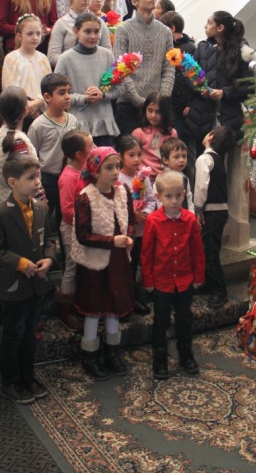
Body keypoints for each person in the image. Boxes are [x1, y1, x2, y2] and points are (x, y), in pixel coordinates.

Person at [0, 155, 56, 404]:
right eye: (31, 178)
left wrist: (49, 258)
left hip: (37, 284)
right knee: (13, 334)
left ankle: (28, 376)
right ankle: (10, 381)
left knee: (30, 333)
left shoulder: (41, 208)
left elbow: (49, 239)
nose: (37, 182)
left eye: (38, 176)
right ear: (12, 182)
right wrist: (20, 263)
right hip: (15, 287)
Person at [71, 147, 135, 380]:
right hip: (94, 263)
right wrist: (111, 241)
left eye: (117, 166)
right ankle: (90, 354)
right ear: (95, 171)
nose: (116, 172)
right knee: (95, 307)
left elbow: (128, 219)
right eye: (109, 168)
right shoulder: (85, 198)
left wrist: (127, 236)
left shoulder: (123, 192)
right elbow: (83, 235)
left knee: (114, 306)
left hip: (117, 259)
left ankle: (112, 351)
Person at [141, 169, 205, 380]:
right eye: (169, 196)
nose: (174, 201)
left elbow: (197, 250)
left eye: (178, 195)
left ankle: (186, 355)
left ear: (184, 194)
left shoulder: (190, 220)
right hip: (162, 282)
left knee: (184, 319)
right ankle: (159, 359)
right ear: (158, 197)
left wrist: (198, 276)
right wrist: (148, 279)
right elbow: (147, 253)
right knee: (161, 321)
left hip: (184, 281)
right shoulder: (153, 221)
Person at [184, 10, 251, 158]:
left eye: (209, 23)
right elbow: (189, 75)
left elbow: (248, 87)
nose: (205, 26)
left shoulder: (241, 51)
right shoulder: (202, 47)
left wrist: (224, 93)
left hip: (228, 118)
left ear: (220, 28)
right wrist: (200, 89)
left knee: (226, 164)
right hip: (202, 117)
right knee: (203, 161)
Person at [113, 0, 175, 134]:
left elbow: (169, 68)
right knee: (131, 149)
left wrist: (161, 100)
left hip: (157, 109)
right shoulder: (123, 29)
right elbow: (120, 70)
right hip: (128, 105)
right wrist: (139, 101)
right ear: (134, 2)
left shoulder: (165, 31)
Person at [55, 12, 120, 146]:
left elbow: (119, 88)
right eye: (87, 31)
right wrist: (83, 98)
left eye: (96, 31)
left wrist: (103, 94)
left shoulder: (107, 55)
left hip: (104, 124)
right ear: (76, 31)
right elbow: (58, 94)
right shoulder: (65, 59)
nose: (93, 36)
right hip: (78, 125)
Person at [27, 73, 78, 235]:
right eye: (62, 93)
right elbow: (31, 155)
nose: (68, 96)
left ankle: (65, 249)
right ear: (47, 97)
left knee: (67, 220)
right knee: (45, 218)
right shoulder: (38, 125)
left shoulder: (73, 120)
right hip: (48, 179)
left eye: (69, 91)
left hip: (69, 177)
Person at [193, 126, 235, 309]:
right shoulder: (217, 159)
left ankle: (220, 289)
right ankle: (209, 283)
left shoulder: (204, 159)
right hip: (221, 210)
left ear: (210, 137)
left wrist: (198, 210)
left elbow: (201, 187)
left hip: (211, 211)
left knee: (209, 252)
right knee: (209, 249)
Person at [57, 129, 94, 329]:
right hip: (72, 228)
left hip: (85, 226)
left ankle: (81, 303)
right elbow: (67, 211)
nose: (94, 148)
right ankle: (65, 309)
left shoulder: (84, 169)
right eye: (91, 145)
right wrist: (88, 219)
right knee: (71, 267)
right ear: (79, 154)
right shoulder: (68, 177)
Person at [116, 134, 157, 315]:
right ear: (120, 156)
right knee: (127, 267)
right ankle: (127, 301)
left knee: (142, 263)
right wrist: (132, 215)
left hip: (141, 231)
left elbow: (151, 199)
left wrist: (146, 212)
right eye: (131, 155)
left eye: (139, 154)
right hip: (125, 232)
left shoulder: (144, 177)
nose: (136, 159)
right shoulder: (117, 178)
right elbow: (116, 205)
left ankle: (140, 296)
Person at [47, 0, 111, 67]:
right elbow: (52, 57)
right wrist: (76, 61)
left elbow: (108, 53)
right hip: (70, 71)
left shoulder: (100, 23)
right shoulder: (61, 24)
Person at [0, 86, 39, 205]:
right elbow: (28, 178)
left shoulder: (2, 132)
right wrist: (41, 201)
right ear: (26, 110)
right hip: (19, 205)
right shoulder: (18, 142)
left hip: (4, 201)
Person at [1, 14, 52, 120]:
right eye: (30, 34)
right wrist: (26, 104)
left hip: (42, 112)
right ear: (20, 36)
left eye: (38, 33)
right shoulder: (11, 58)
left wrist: (38, 102)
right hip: (20, 113)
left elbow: (49, 85)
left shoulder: (43, 58)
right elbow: (9, 87)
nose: (35, 37)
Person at [159, 10, 196, 142]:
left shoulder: (190, 48)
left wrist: (190, 103)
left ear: (172, 28)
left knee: (178, 138)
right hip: (168, 100)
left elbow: (193, 76)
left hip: (182, 103)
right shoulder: (165, 46)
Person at [132, 92, 177, 181]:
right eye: (150, 110)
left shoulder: (172, 133)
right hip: (143, 179)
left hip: (165, 179)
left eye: (158, 112)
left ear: (165, 113)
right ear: (145, 110)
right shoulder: (138, 133)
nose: (153, 115)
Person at [160, 138, 194, 212]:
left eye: (184, 156)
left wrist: (191, 215)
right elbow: (159, 201)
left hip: (184, 217)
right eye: (176, 157)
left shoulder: (185, 178)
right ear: (165, 160)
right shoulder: (161, 178)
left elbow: (189, 200)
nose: (182, 160)